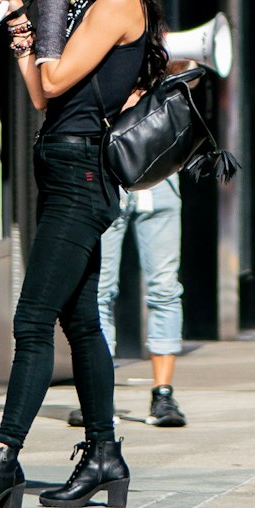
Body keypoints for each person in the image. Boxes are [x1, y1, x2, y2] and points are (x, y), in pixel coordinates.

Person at [0, 0, 168, 508]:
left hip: (82, 179)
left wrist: (45, 0)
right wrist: (21, 25)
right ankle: (103, 454)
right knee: (80, 322)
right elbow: (42, 94)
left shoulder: (120, 2)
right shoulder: (92, 0)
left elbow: (61, 76)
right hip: (65, 170)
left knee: (32, 320)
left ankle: (3, 460)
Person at [67, 174, 188, 429]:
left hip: (160, 174)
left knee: (164, 288)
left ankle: (163, 394)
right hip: (109, 176)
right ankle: (99, 397)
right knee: (99, 290)